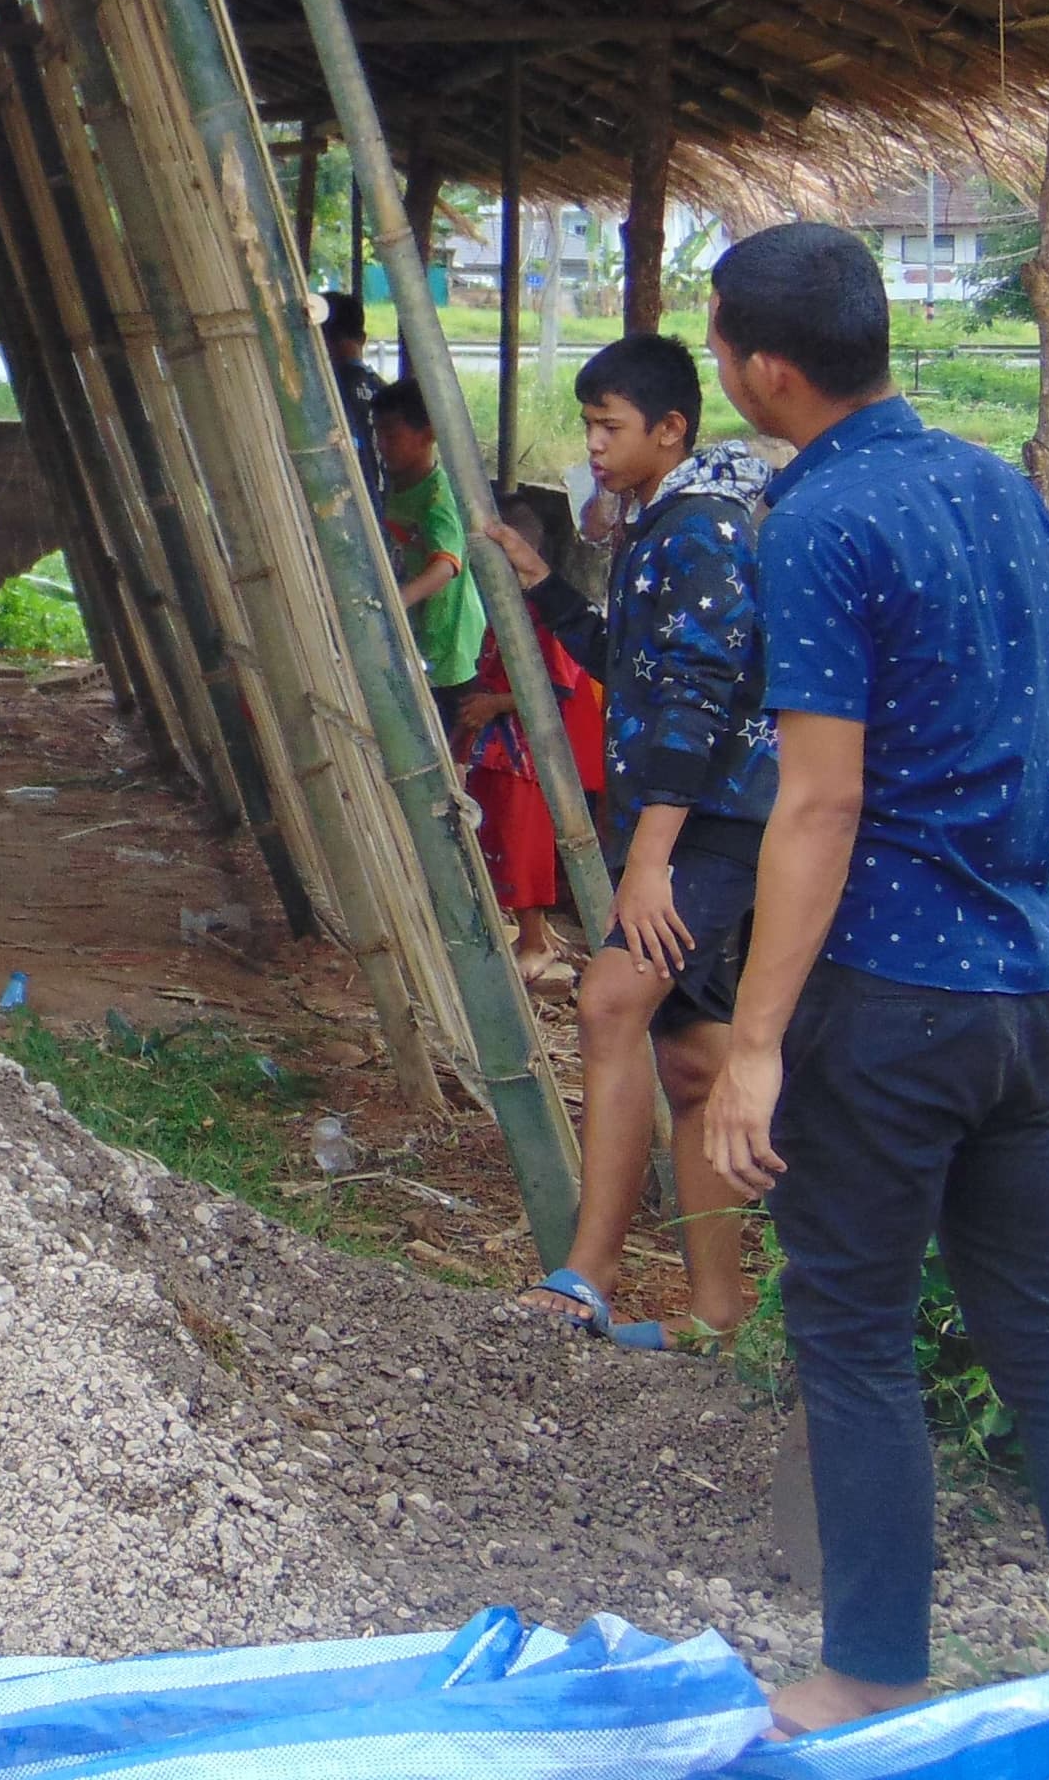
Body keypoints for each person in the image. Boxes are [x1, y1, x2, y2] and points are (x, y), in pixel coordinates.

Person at [696, 223, 1049, 1735]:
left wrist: (756, 1038)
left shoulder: (816, 523)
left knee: (850, 1331)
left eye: (719, 346)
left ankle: (872, 1667)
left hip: (891, 995)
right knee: (1046, 1335)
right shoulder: (999, 490)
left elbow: (821, 803)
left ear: (765, 369)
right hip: (1024, 989)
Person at [486, 329, 778, 1347]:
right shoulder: (665, 523)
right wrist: (542, 583)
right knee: (690, 1065)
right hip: (692, 822)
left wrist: (650, 858)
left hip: (711, 824)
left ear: (671, 429)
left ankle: (586, 1274)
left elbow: (695, 700)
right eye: (590, 427)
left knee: (609, 1003)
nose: (595, 448)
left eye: (610, 428)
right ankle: (718, 1314)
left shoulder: (702, 528)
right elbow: (632, 659)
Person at [453, 484, 607, 991]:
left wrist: (494, 704)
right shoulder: (504, 604)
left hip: (528, 752)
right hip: (494, 747)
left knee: (524, 845)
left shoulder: (549, 610)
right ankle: (519, 935)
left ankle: (537, 941)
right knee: (492, 836)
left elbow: (560, 683)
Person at [373, 379, 486, 725]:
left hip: (447, 642)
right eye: (378, 434)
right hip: (417, 634)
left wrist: (395, 601)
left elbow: (445, 566)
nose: (381, 445)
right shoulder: (393, 485)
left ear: (428, 435)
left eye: (392, 436)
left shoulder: (439, 498)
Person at [322, 291, 385, 504]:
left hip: (344, 502)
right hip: (381, 501)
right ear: (363, 338)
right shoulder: (383, 390)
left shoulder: (324, 392)